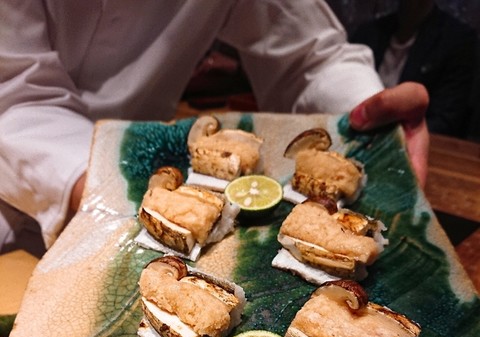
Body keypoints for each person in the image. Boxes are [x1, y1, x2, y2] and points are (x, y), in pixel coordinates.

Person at [0, 0, 429, 256]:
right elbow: (16, 95)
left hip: (157, 182)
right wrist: (114, 193)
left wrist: (371, 121)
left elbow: (310, 57)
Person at [351, 0, 478, 138]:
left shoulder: (457, 40)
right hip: (355, 132)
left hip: (420, 141)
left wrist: (392, 137)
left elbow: (445, 120)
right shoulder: (368, 32)